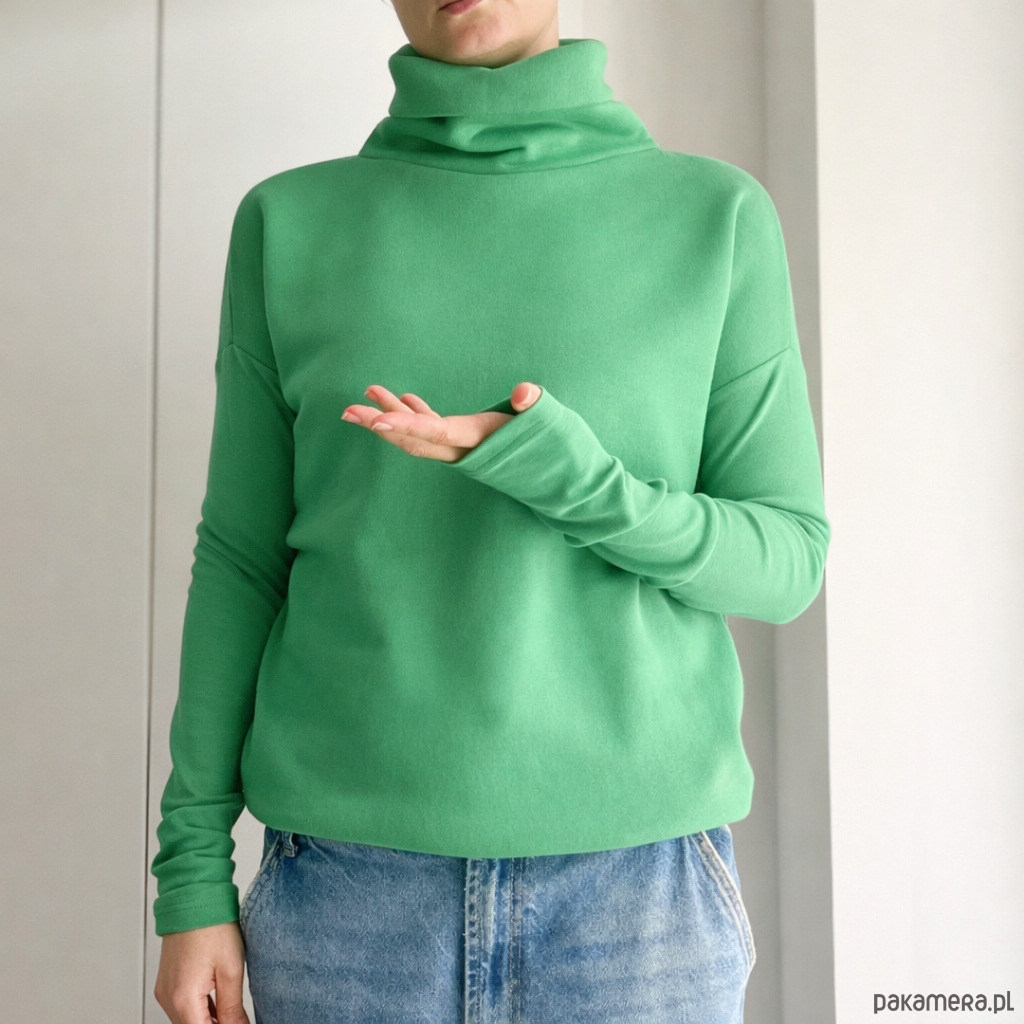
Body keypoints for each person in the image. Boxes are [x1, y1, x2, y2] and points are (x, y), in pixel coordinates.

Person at [151, 0, 830, 1021]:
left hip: (636, 907)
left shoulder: (715, 217)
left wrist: (564, 474)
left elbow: (784, 564)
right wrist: (192, 877)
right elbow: (242, 562)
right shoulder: (289, 223)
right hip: (345, 901)